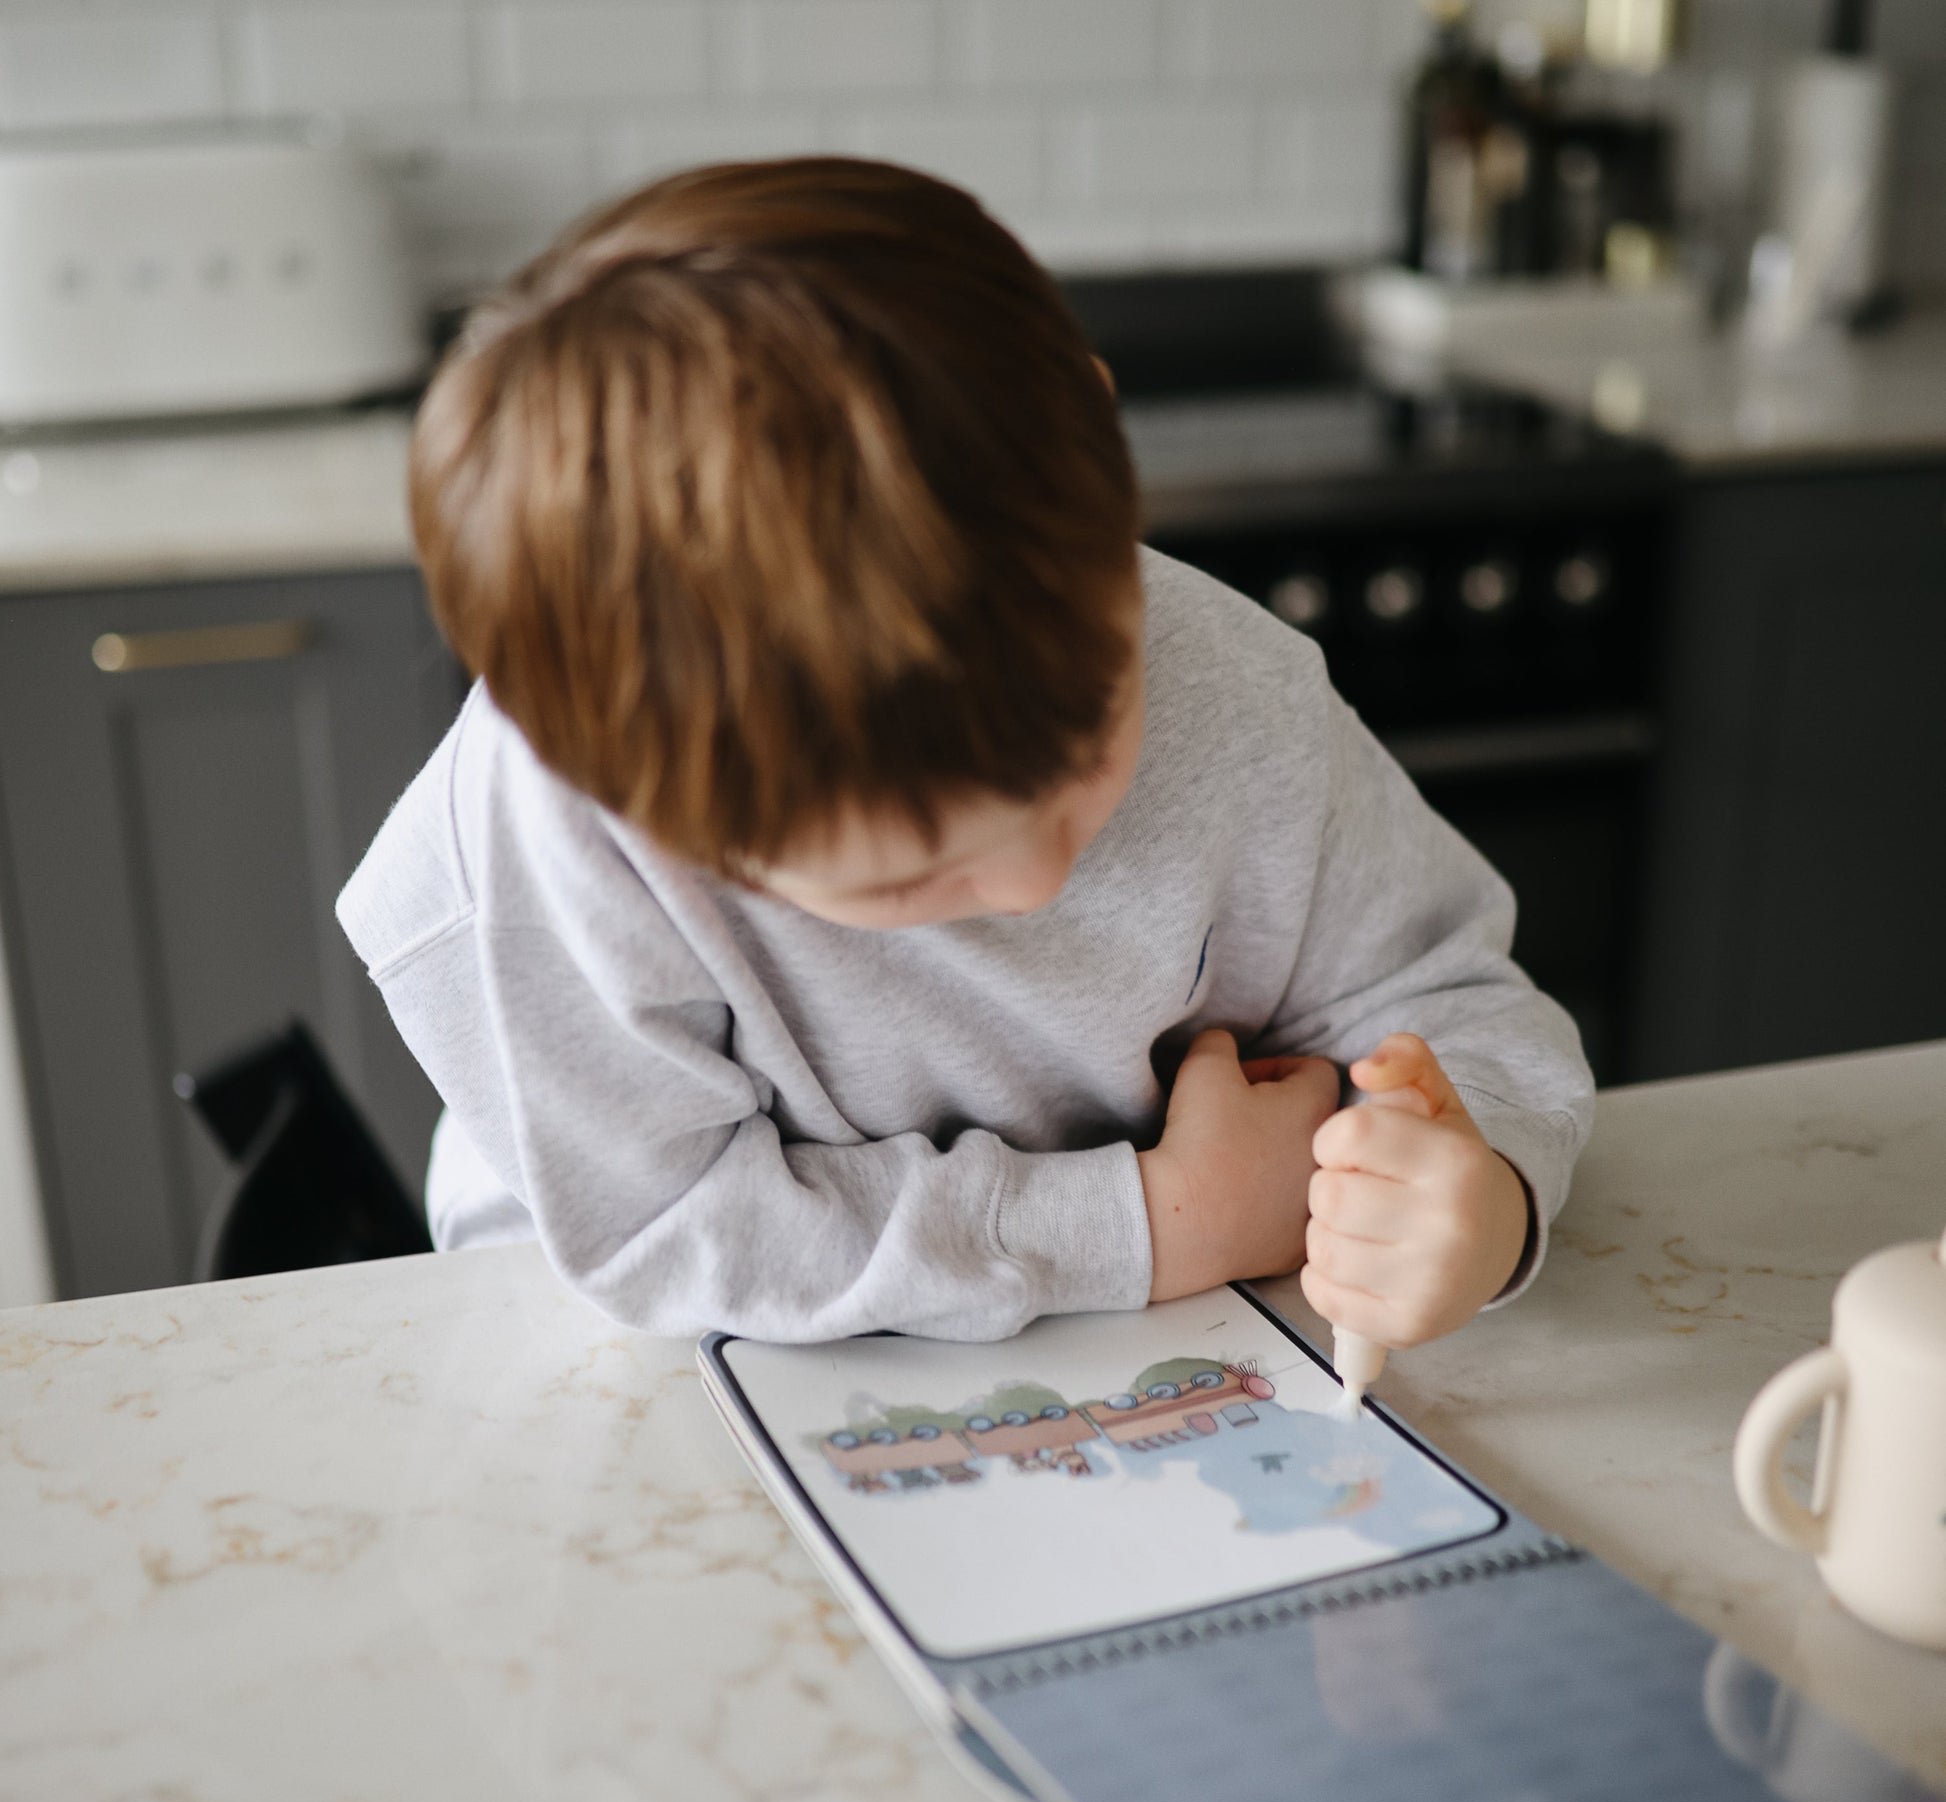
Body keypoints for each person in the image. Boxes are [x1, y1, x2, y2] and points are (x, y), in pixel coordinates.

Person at [338, 157, 1594, 1347]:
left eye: (1092, 744)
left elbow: (1454, 1005)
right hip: (667, 1361)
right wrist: (1161, 1223)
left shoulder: (1238, 685)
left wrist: (1473, 1198)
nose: (1036, 884)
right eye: (900, 882)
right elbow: (669, 1232)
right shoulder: (550, 833)